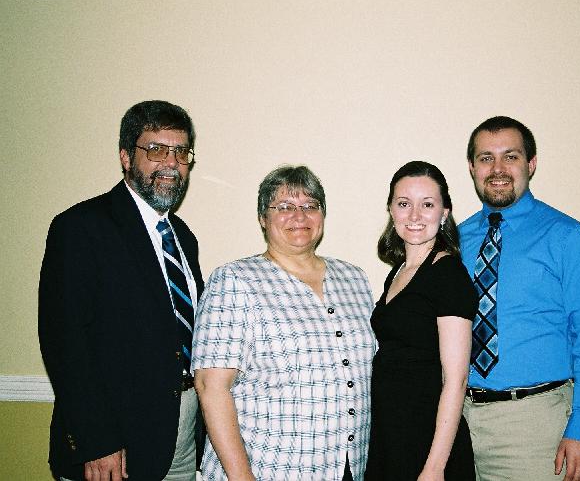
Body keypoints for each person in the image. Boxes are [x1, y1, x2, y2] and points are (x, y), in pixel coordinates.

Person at [38, 100, 204, 481]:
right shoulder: (81, 228)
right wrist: (96, 440)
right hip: (114, 446)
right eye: (156, 149)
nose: (171, 163)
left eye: (181, 152)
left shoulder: (183, 238)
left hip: (182, 441)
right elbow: (64, 342)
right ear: (126, 157)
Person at [191, 165, 376, 481]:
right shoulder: (235, 280)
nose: (299, 216)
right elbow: (211, 387)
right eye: (285, 207)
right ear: (263, 218)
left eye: (310, 206)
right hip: (267, 468)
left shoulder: (354, 278)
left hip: (347, 466)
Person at [459, 116, 580, 481]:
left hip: (536, 427)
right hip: (460, 424)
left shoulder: (568, 237)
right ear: (472, 168)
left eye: (510, 156)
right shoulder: (457, 240)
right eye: (486, 158)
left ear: (531, 164)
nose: (498, 169)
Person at [365, 161, 477, 481]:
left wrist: (434, 467)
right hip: (391, 436)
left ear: (444, 213)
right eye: (404, 204)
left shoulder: (448, 275)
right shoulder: (398, 272)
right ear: (391, 210)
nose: (414, 215)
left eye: (427, 205)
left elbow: (456, 380)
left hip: (428, 443)